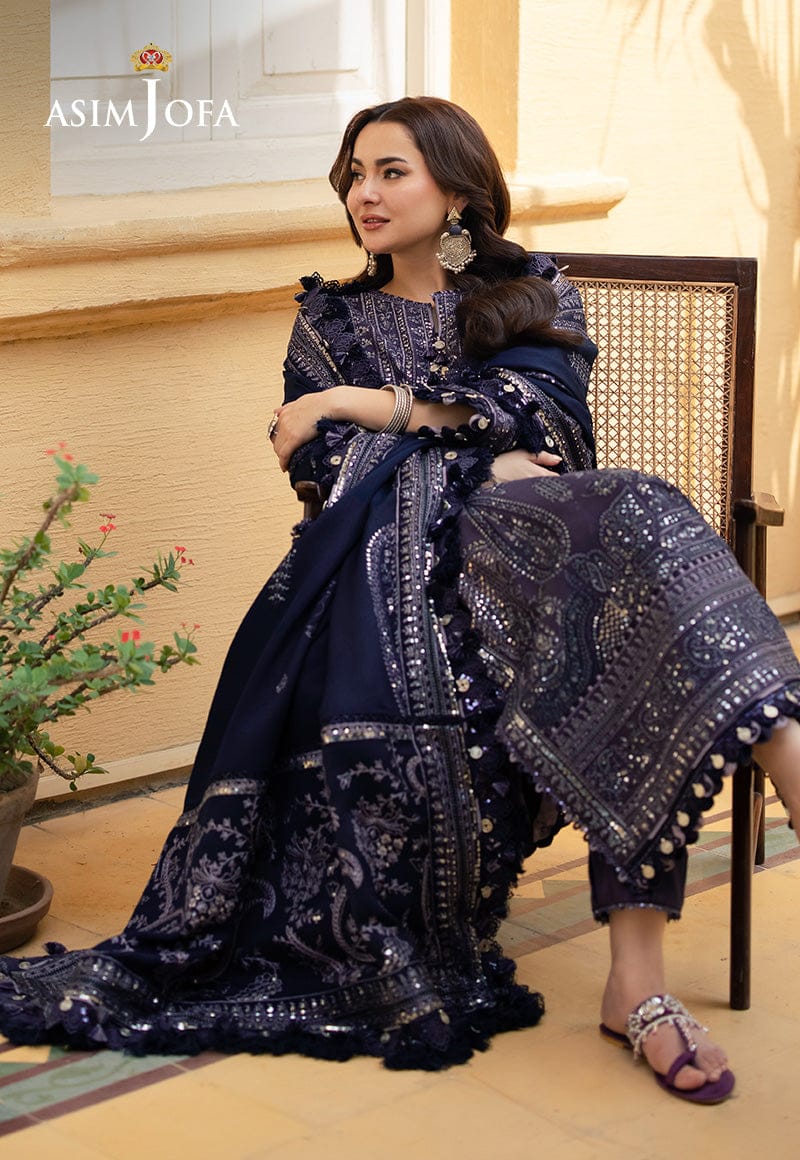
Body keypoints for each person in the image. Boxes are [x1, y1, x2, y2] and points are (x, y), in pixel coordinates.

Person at [1, 97, 799, 1104]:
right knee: (631, 577)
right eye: (353, 174)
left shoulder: (532, 292)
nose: (362, 194)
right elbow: (323, 472)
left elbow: (546, 429)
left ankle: (647, 965)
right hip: (401, 588)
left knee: (634, 548)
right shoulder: (328, 321)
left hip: (537, 567)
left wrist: (361, 405)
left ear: (455, 190)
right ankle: (690, 900)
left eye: (390, 172)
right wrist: (462, 448)